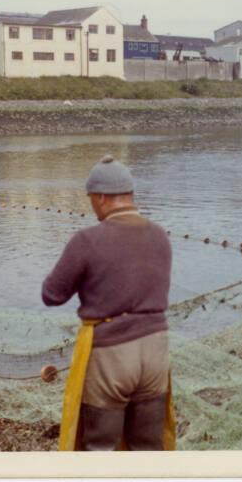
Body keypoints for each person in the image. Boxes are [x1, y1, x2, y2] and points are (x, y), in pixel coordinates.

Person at [42, 155, 175, 451]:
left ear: (101, 197)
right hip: (156, 348)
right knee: (149, 448)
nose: (92, 205)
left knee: (100, 449)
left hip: (111, 353)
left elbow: (52, 295)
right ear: (129, 195)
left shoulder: (87, 240)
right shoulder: (159, 235)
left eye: (91, 199)